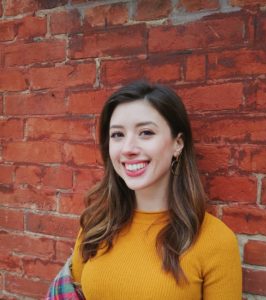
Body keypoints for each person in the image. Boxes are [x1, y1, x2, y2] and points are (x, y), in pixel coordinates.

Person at [49, 81, 242, 299]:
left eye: (146, 132)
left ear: (177, 144)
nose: (128, 148)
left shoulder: (215, 240)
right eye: (117, 135)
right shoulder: (96, 225)